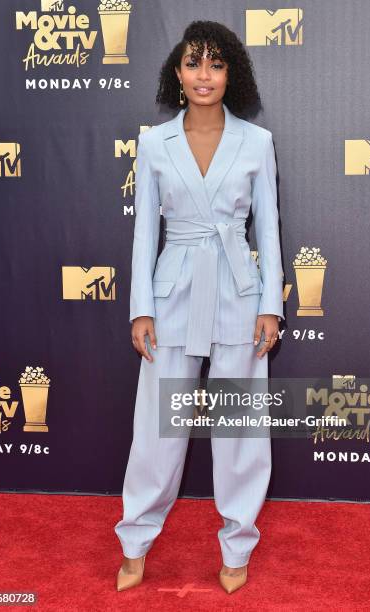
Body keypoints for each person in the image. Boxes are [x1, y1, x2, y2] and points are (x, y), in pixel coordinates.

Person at [114, 20, 285, 595]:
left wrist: (271, 305)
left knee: (239, 430)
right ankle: (135, 540)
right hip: (174, 294)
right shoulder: (153, 141)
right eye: (193, 63)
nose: (203, 74)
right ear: (177, 73)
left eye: (215, 63)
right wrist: (142, 309)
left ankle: (237, 544)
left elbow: (269, 230)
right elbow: (144, 234)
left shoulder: (257, 143)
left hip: (239, 292)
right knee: (157, 431)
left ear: (231, 72)